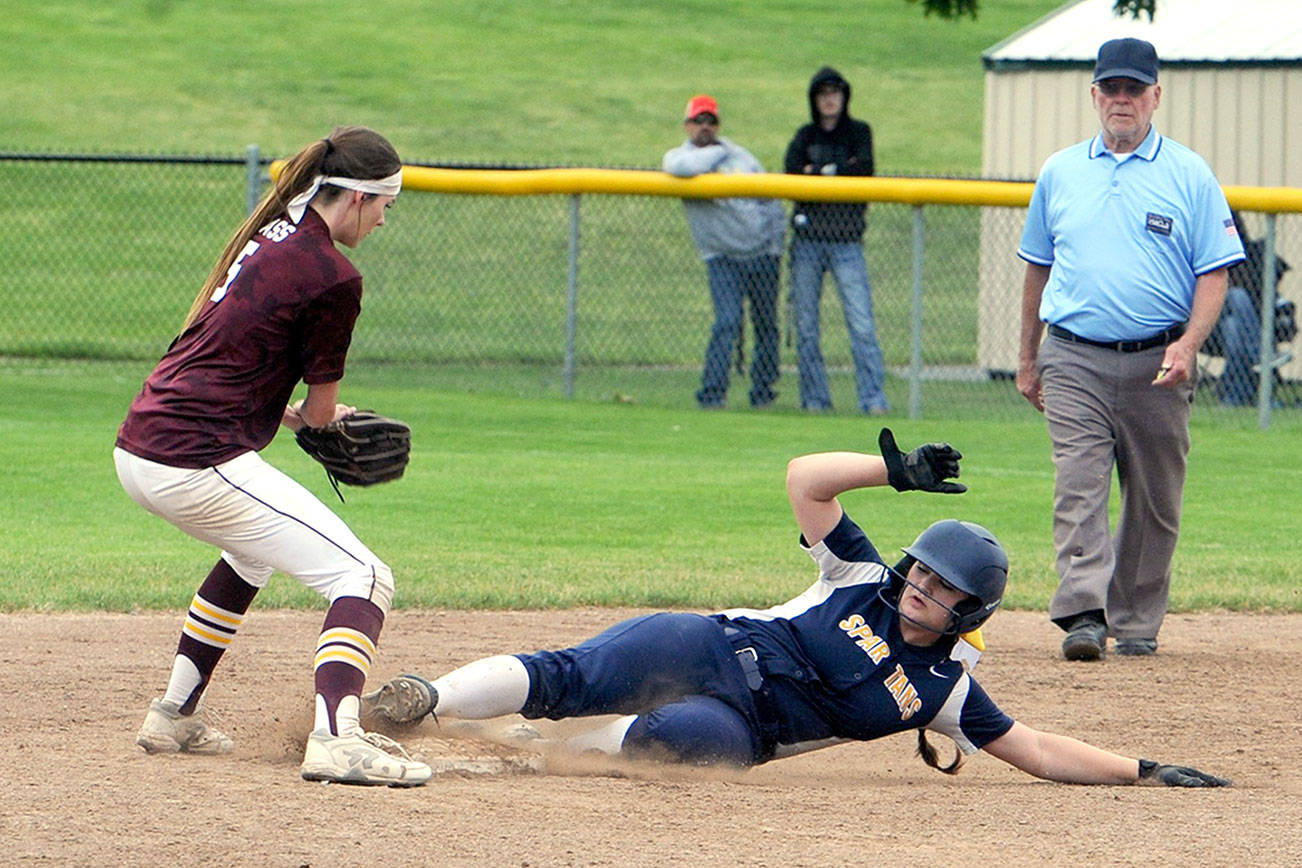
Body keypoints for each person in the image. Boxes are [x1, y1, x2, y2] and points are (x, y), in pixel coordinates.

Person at [361, 430, 1227, 788]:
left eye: (942, 591)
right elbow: (803, 480)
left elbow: (1032, 747)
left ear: (969, 616)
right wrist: (894, 474)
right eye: (922, 573)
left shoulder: (946, 690)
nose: (920, 589)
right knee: (574, 672)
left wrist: (1140, 770)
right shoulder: (860, 575)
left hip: (746, 726)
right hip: (711, 645)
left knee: (684, 743)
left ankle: (534, 749)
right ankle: (426, 698)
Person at [114, 126, 432, 787]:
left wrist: (288, 412)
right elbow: (320, 413)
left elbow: (233, 357)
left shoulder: (271, 235)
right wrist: (324, 419)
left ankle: (173, 714)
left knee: (250, 553)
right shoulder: (334, 276)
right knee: (364, 577)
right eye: (385, 206)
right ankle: (336, 739)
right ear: (357, 198)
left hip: (145, 442)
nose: (383, 220)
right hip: (195, 458)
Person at [1015, 38, 1245, 661]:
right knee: (1079, 483)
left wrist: (1189, 344)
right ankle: (1084, 614)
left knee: (1154, 496)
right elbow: (1037, 267)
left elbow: (1215, 272)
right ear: (1094, 95)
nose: (1122, 99)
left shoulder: (1189, 173)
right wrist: (1027, 359)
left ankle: (1137, 619)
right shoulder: (1061, 171)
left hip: (1157, 360)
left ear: (1155, 96)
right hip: (1073, 356)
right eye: (1111, 88)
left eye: (1134, 89)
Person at [663, 94, 786, 410]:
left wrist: (775, 246)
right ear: (687, 125)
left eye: (711, 121)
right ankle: (713, 394)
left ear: (718, 125)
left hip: (762, 254)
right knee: (727, 323)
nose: (705, 127)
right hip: (723, 258)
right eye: (698, 121)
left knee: (766, 326)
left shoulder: (742, 157)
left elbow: (771, 200)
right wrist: (717, 153)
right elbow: (679, 167)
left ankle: (763, 393)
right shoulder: (681, 158)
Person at [784, 67, 889, 415]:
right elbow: (791, 174)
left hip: (846, 241)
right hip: (808, 242)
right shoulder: (805, 135)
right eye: (823, 93)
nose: (829, 99)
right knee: (806, 327)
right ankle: (815, 399)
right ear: (814, 100)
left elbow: (864, 169)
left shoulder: (859, 132)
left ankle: (872, 398)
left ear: (845, 97)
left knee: (861, 323)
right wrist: (838, 169)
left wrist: (819, 171)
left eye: (835, 93)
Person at [1206, 211, 1291, 406]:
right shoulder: (1202, 248)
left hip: (1232, 323)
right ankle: (1261, 355)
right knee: (1237, 296)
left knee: (1234, 329)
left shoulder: (1243, 257)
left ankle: (1235, 397)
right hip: (1202, 322)